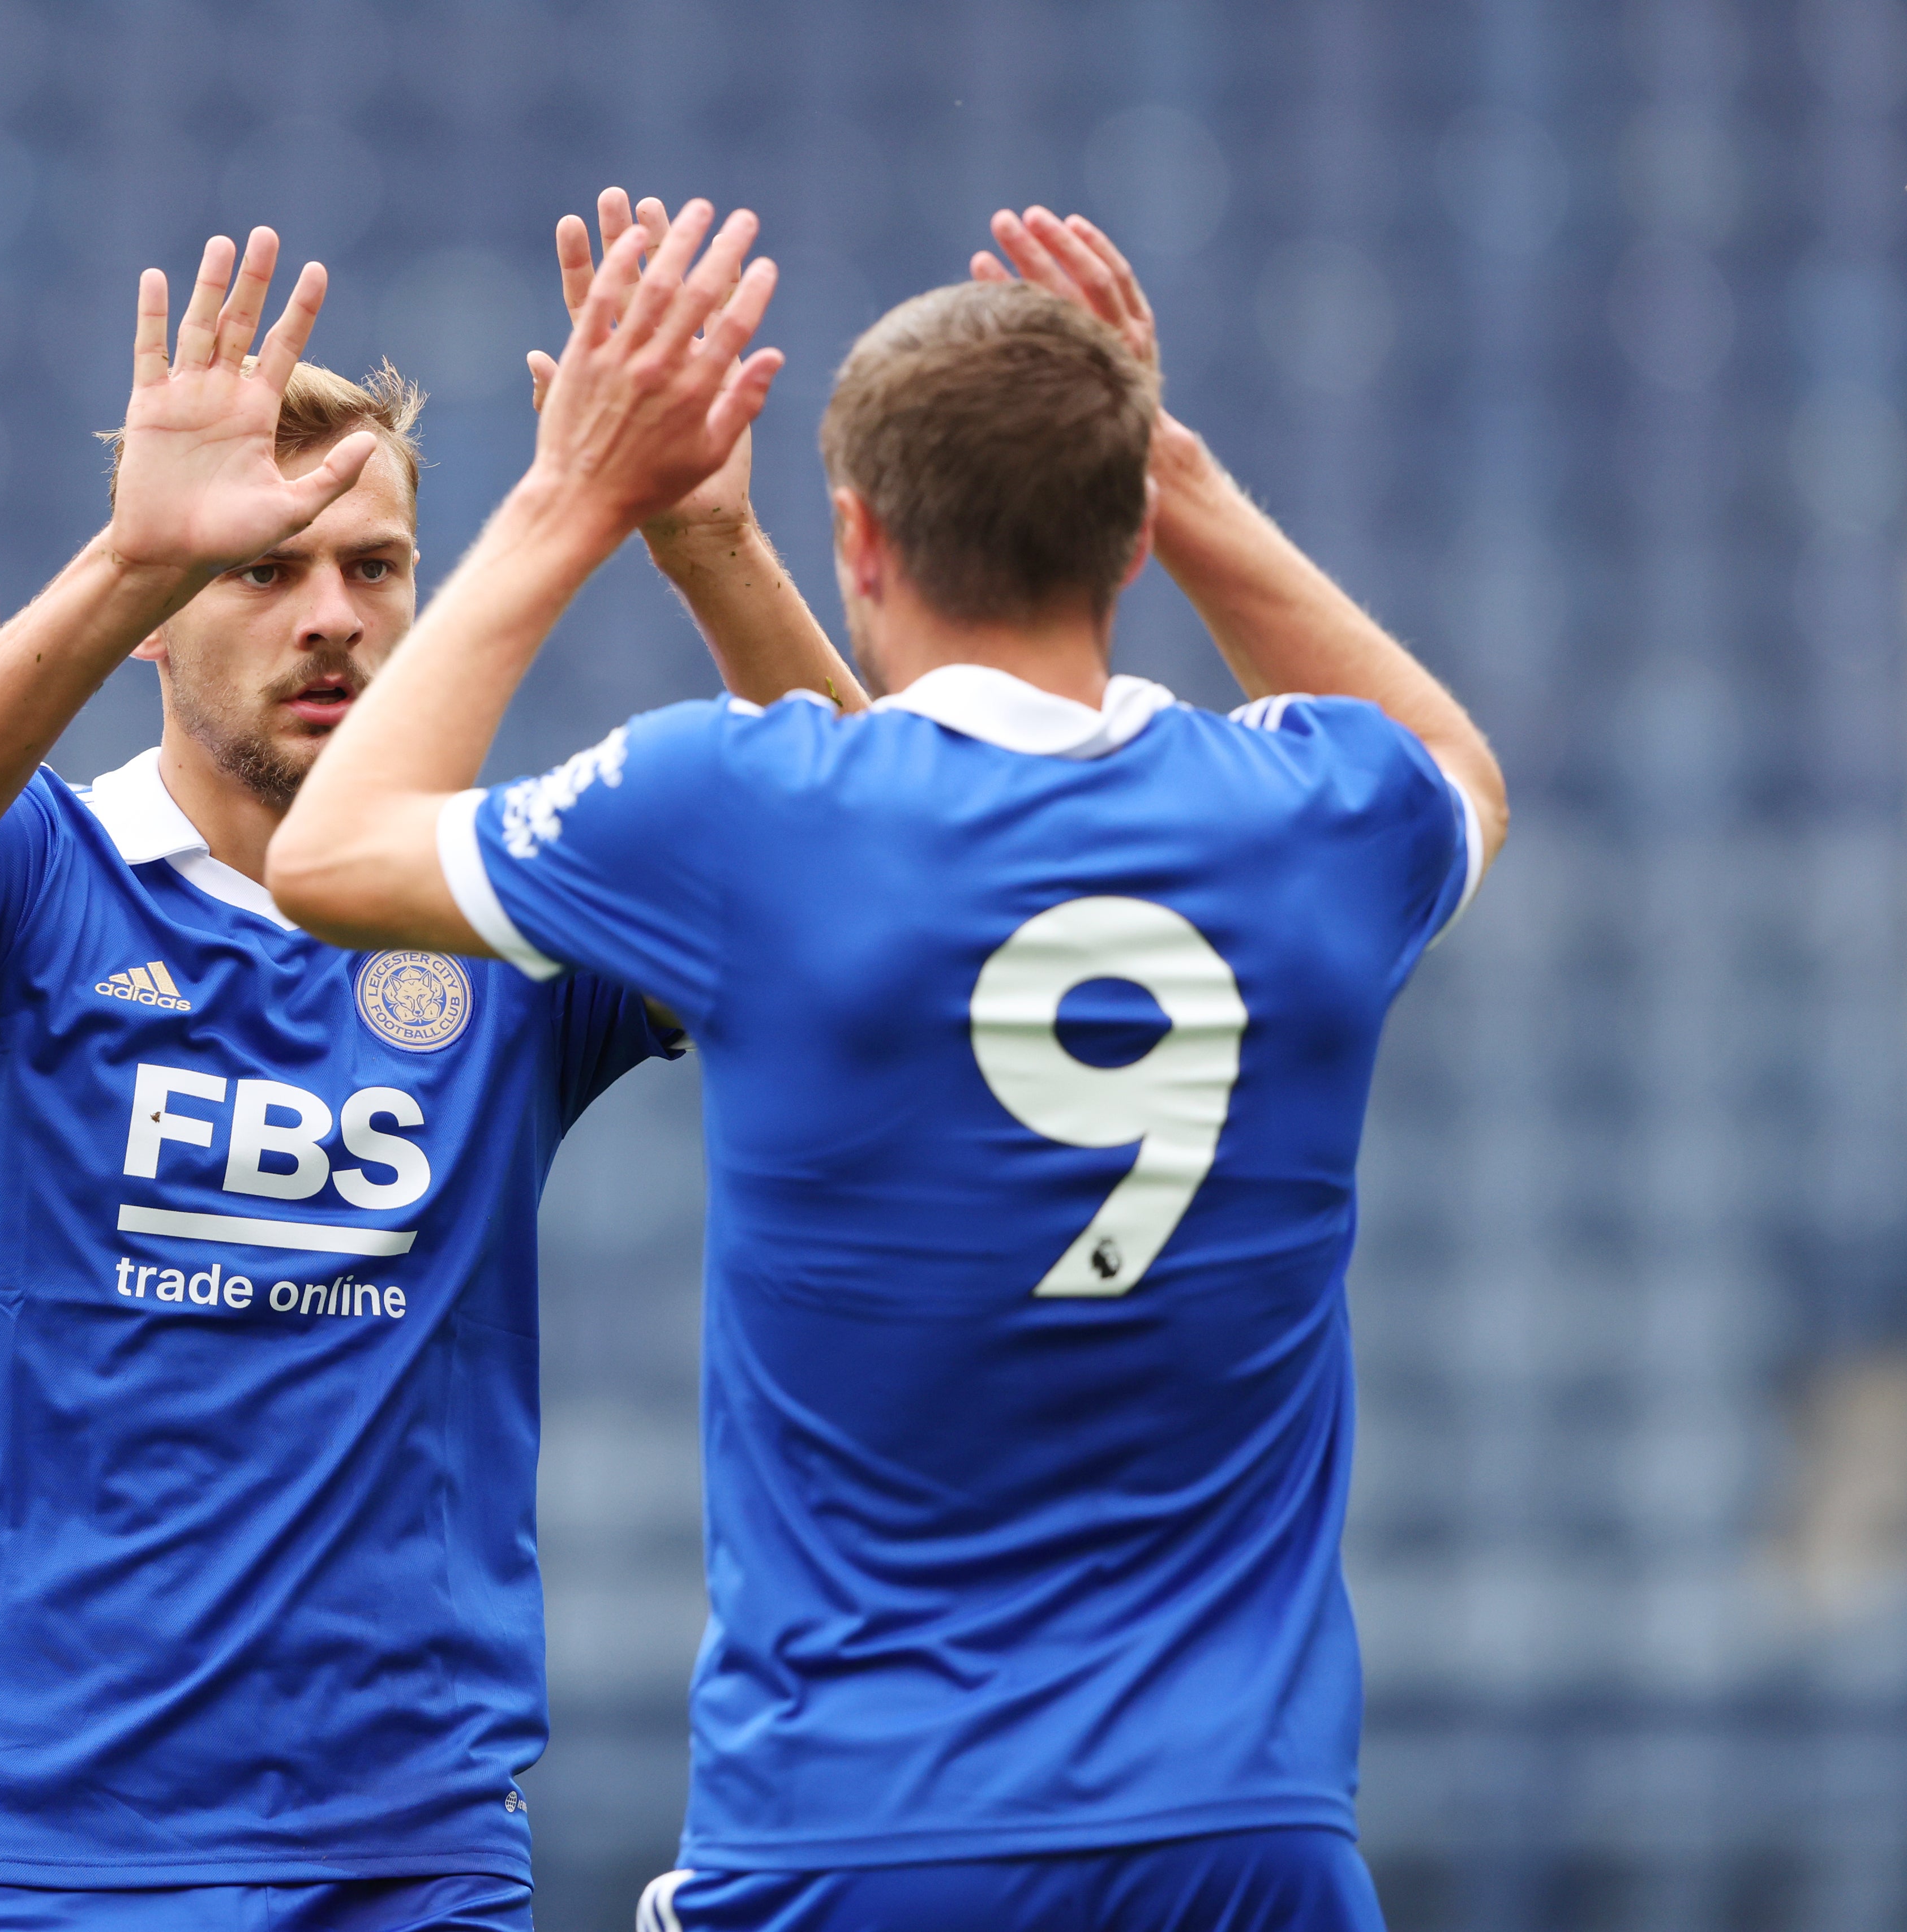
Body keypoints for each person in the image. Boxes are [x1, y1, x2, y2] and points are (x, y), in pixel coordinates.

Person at [269, 201, 1508, 1932]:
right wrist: (1186, 477)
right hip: (1248, 1843)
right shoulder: (1322, 816)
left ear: (853, 539)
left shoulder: (744, 808)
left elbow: (330, 861)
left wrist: (576, 495)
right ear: (1133, 532)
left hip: (855, 1830)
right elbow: (1458, 762)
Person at [0, 211, 830, 1932]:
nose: (331, 617)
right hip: (47, 1848)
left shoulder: (499, 895)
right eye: (262, 571)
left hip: (407, 1842)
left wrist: (708, 542)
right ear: (160, 615)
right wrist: (130, 555)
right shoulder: (37, 874)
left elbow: (884, 903)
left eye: (375, 568)